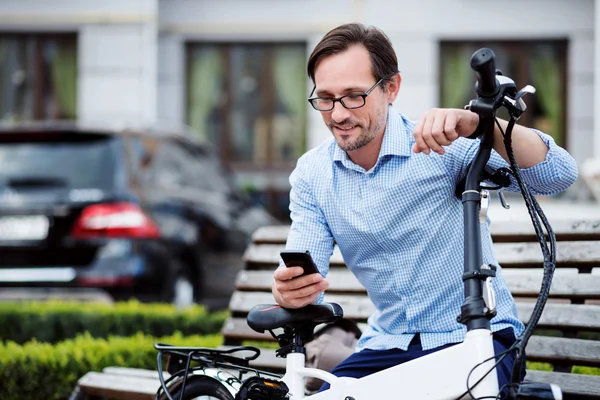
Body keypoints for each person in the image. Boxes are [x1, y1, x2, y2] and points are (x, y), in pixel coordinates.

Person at [271, 22, 578, 391]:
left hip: (473, 340)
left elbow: (558, 175)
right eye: (326, 98)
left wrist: (482, 125)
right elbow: (308, 280)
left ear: (391, 88)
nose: (337, 114)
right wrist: (292, 290)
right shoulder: (313, 173)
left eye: (354, 95)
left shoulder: (441, 146)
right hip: (386, 344)